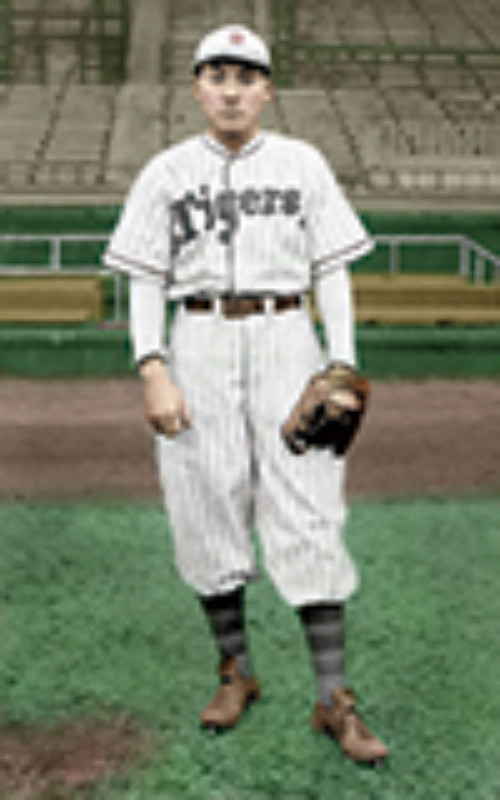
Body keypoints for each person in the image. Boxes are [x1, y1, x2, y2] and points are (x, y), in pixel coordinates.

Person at [104, 24, 388, 765]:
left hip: (287, 336)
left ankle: (333, 698)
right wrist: (152, 366)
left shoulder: (302, 163)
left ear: (267, 90)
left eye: (246, 77)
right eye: (217, 76)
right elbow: (144, 277)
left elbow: (332, 269)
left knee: (309, 511)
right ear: (197, 89)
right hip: (196, 341)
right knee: (204, 505)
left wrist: (341, 361)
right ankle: (237, 672)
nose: (231, 91)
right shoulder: (165, 172)